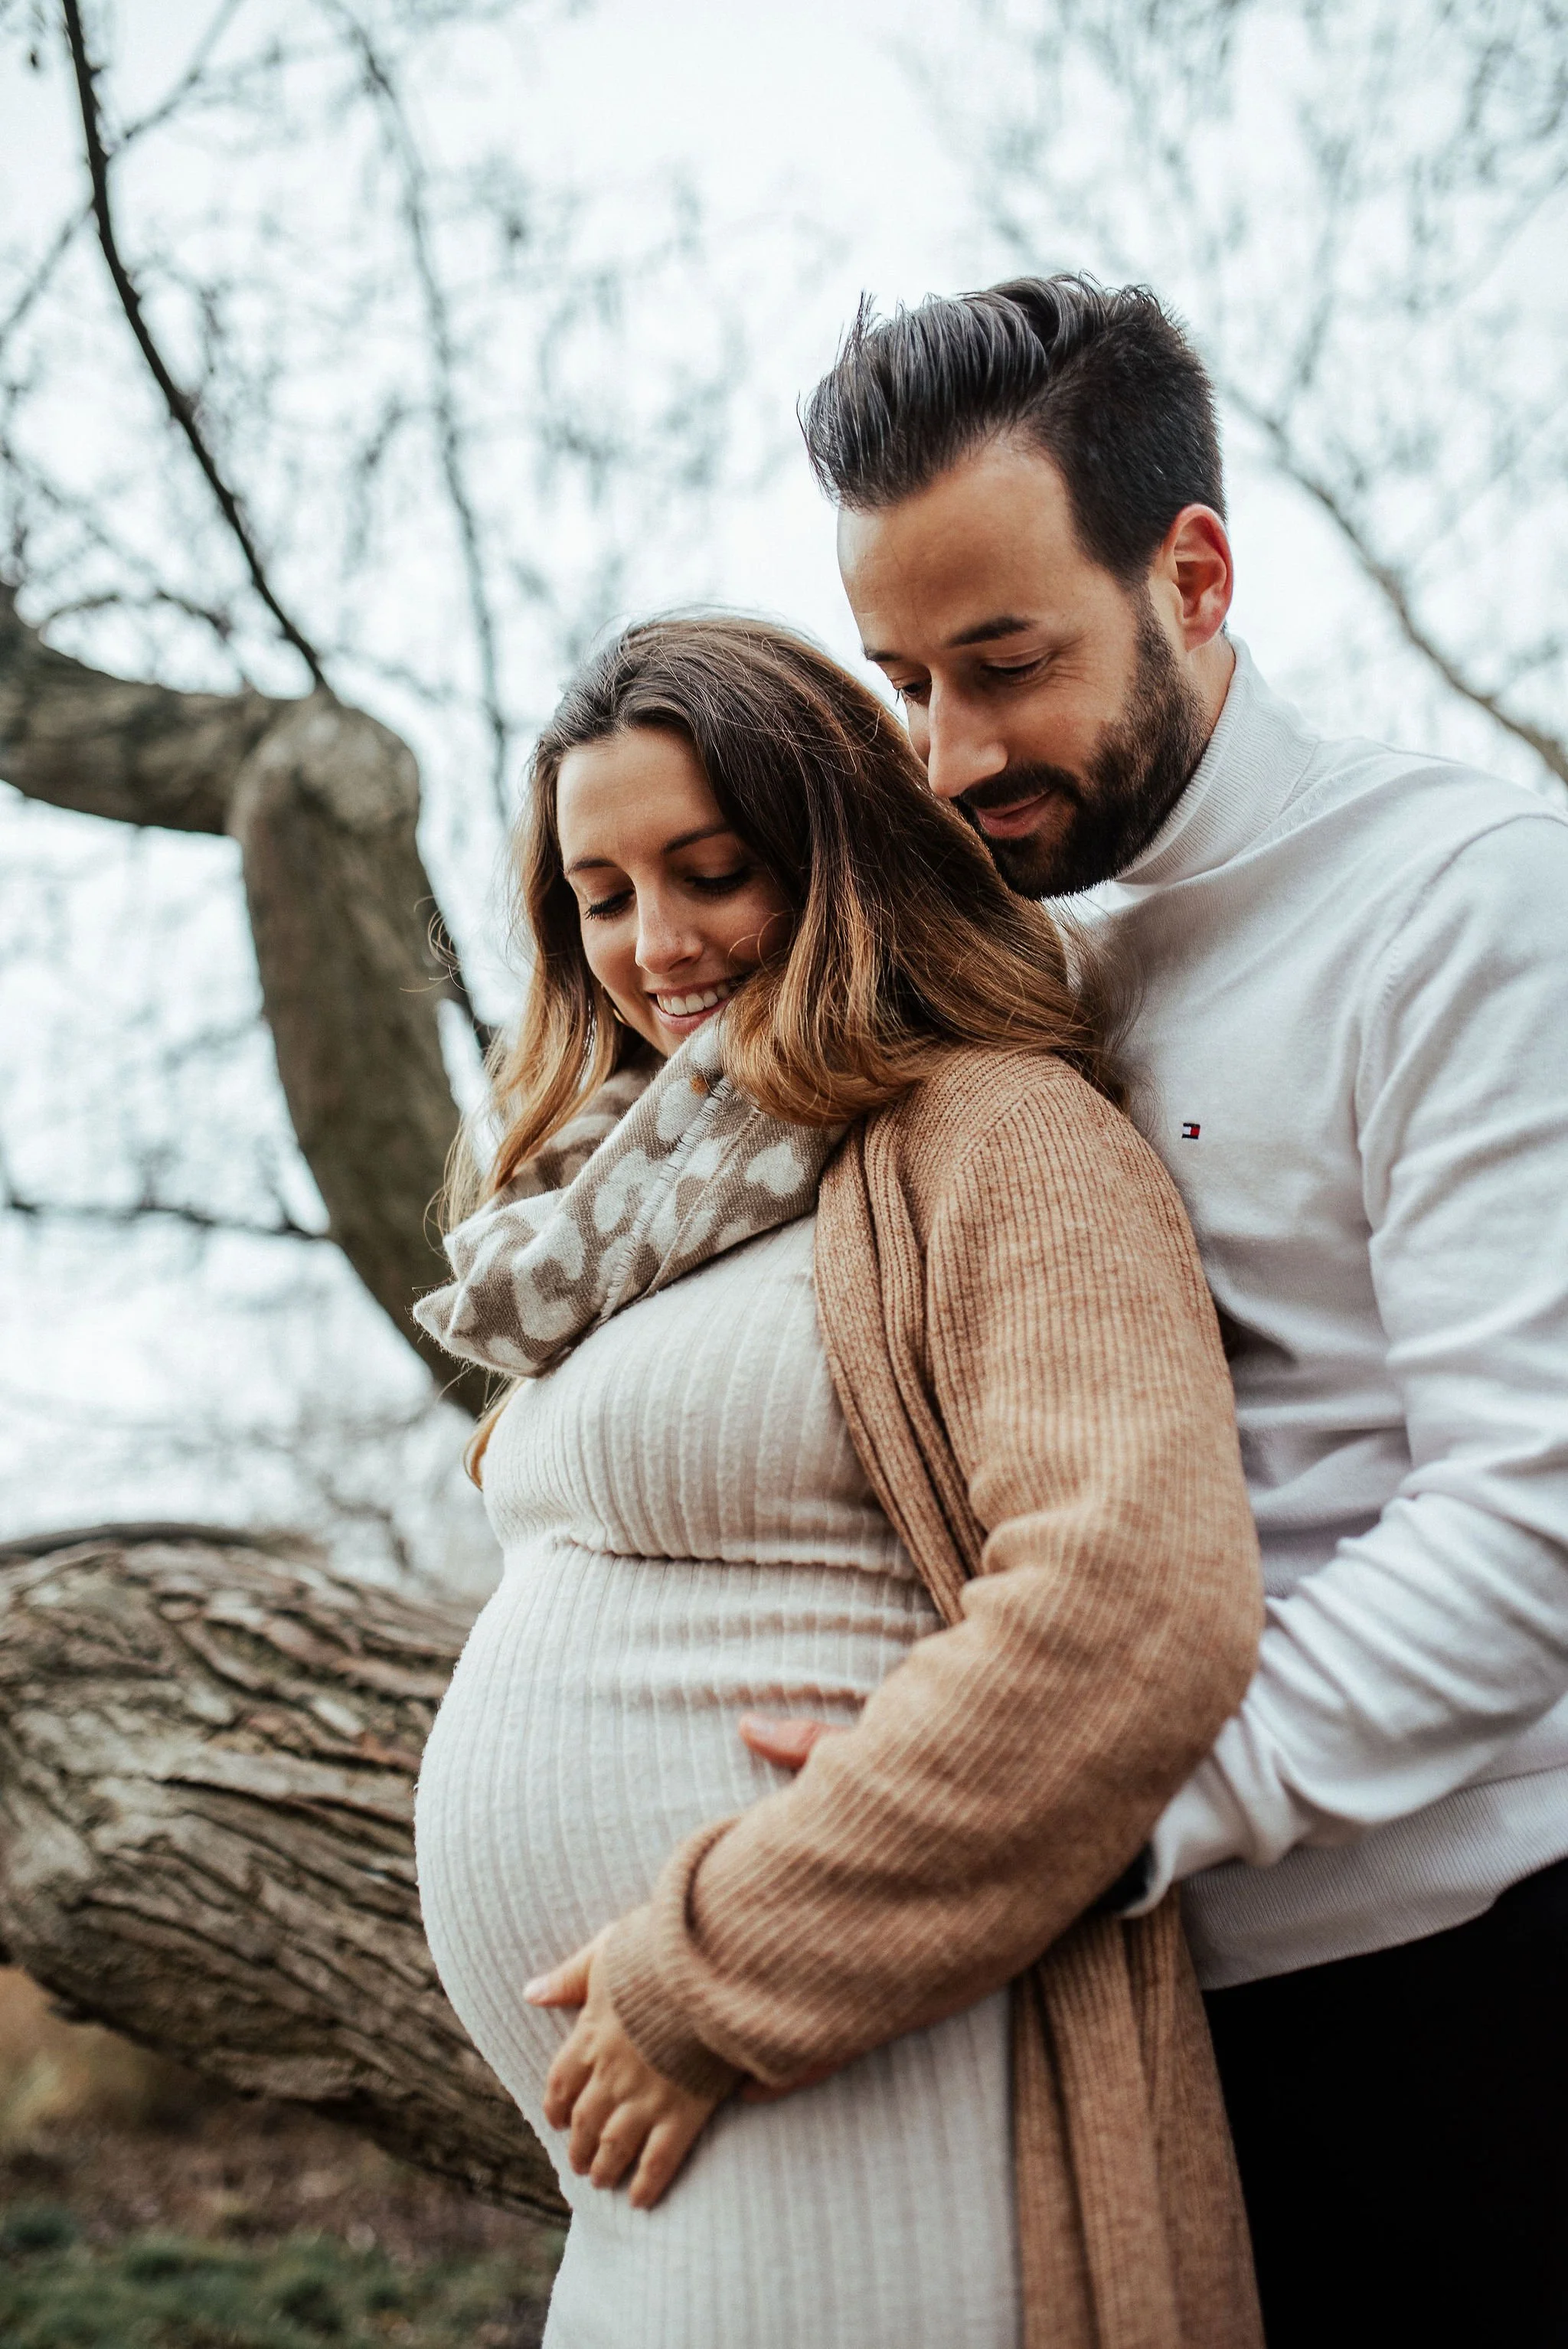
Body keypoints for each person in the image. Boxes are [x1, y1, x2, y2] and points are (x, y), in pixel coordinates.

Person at [770, 274, 1568, 2349]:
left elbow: (1532, 1528)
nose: (949, 753)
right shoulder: (1026, 963)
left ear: (1192, 572)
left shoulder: (1472, 903)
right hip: (1126, 2012)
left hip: (1474, 1991)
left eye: (1006, 664)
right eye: (903, 679)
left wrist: (1073, 1801)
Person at [410, 614, 1265, 2349]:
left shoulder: (994, 1131)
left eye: (711, 870)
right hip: (670, 2139)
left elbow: (1135, 1600)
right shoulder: (623, 1220)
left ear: (840, 858)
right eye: (600, 894)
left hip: (859, 2075)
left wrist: (722, 1960)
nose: (657, 945)